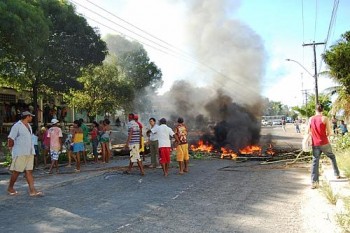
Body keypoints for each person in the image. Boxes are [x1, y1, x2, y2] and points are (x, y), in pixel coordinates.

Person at [7, 111, 43, 196]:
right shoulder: (17, 126)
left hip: (29, 152)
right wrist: (11, 150)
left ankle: (32, 190)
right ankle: (10, 187)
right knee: (16, 172)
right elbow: (10, 138)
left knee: (29, 171)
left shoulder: (29, 126)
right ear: (27, 116)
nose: (32, 118)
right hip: (20, 152)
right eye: (31, 116)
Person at [307, 104, 340, 189]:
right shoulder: (325, 118)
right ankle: (337, 174)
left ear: (315, 110)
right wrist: (326, 135)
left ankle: (314, 183)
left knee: (315, 162)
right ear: (323, 110)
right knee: (332, 157)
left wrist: (313, 136)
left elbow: (308, 131)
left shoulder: (311, 119)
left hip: (315, 144)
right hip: (324, 143)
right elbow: (330, 132)